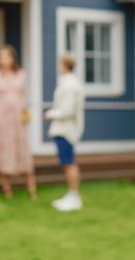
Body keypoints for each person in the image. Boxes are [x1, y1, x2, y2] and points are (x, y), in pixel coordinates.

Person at [0, 45, 36, 199]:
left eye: (7, 56)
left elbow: (25, 96)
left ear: (13, 58)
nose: (3, 60)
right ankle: (8, 192)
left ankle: (32, 191)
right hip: (1, 119)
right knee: (4, 150)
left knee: (22, 151)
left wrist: (24, 112)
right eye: (1, 56)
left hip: (18, 119)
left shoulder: (21, 75)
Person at [45, 54, 86, 212]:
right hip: (65, 129)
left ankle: (74, 196)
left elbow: (67, 110)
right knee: (67, 163)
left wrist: (51, 114)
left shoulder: (70, 85)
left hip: (66, 130)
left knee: (69, 163)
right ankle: (71, 194)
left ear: (64, 65)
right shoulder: (70, 83)